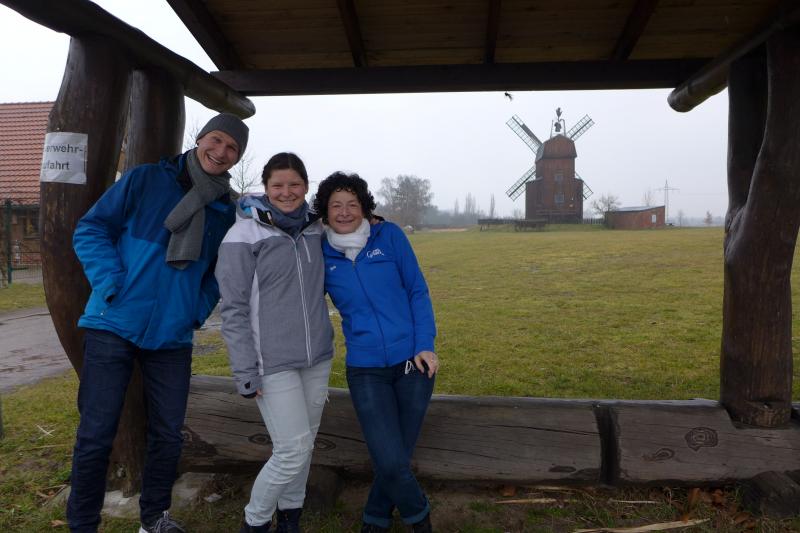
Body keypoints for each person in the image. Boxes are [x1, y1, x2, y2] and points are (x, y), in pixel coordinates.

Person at [68, 113, 248, 533]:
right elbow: (91, 228)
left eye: (232, 148)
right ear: (200, 138)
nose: (221, 152)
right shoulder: (146, 180)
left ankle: (153, 519)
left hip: (172, 334)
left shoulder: (226, 209)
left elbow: (218, 273)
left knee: (168, 434)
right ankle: (83, 524)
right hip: (113, 321)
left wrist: (195, 309)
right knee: (96, 433)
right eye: (216, 140)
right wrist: (111, 282)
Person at [215, 152, 334, 533]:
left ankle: (290, 518)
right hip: (271, 362)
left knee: (305, 446)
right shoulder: (243, 235)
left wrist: (372, 220)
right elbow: (233, 309)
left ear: (306, 186)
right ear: (265, 188)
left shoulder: (316, 229)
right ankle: (255, 522)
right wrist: (245, 369)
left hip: (317, 357)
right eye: (278, 185)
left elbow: (351, 231)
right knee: (292, 449)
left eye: (294, 184)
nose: (287, 192)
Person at [314, 172, 439, 533]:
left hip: (413, 362)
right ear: (324, 211)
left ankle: (374, 518)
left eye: (352, 204)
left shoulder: (390, 236)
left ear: (365, 207)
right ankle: (420, 518)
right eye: (336, 205)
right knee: (390, 457)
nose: (344, 211)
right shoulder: (318, 251)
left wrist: (424, 344)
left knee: (394, 459)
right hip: (365, 368)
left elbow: (417, 290)